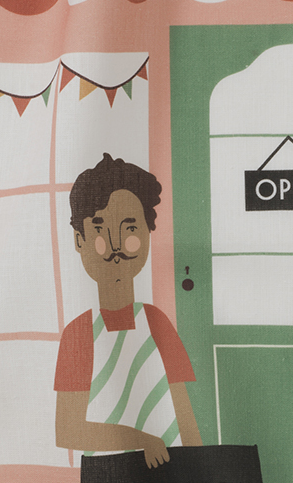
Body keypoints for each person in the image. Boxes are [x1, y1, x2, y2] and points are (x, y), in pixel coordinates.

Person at [54, 153, 201, 465]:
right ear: (79, 240)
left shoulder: (157, 322)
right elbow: (68, 430)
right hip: (111, 482)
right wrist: (140, 440)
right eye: (99, 229)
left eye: (130, 228)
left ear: (147, 234)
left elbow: (184, 416)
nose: (116, 244)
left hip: (173, 478)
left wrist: (200, 470)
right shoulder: (78, 334)